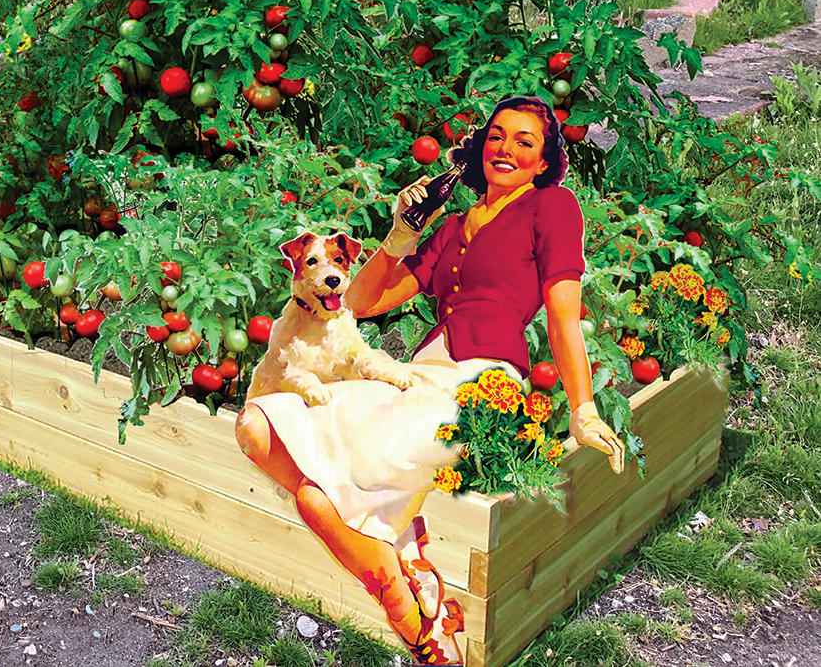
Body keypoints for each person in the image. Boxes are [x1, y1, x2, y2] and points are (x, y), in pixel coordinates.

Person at [235, 94, 625, 666]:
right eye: (496, 136)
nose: (506, 148)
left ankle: (419, 624)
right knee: (255, 429)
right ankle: (412, 571)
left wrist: (583, 407)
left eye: (524, 140)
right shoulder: (450, 228)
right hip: (416, 377)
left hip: (483, 384)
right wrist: (400, 235)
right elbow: (363, 302)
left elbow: (565, 316)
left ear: (544, 161)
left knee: (321, 501)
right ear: (479, 147)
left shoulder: (553, 207)